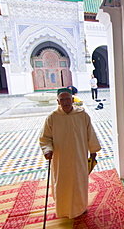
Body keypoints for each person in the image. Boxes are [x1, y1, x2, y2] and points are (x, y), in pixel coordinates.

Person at [39, 88, 101, 219]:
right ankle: (63, 210)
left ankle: (80, 208)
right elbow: (45, 138)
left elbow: (90, 134)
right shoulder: (52, 117)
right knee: (63, 183)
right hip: (61, 160)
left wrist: (93, 151)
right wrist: (47, 150)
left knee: (80, 182)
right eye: (62, 100)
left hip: (79, 157)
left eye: (68, 99)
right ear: (58, 101)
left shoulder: (82, 115)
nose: (66, 102)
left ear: (73, 100)